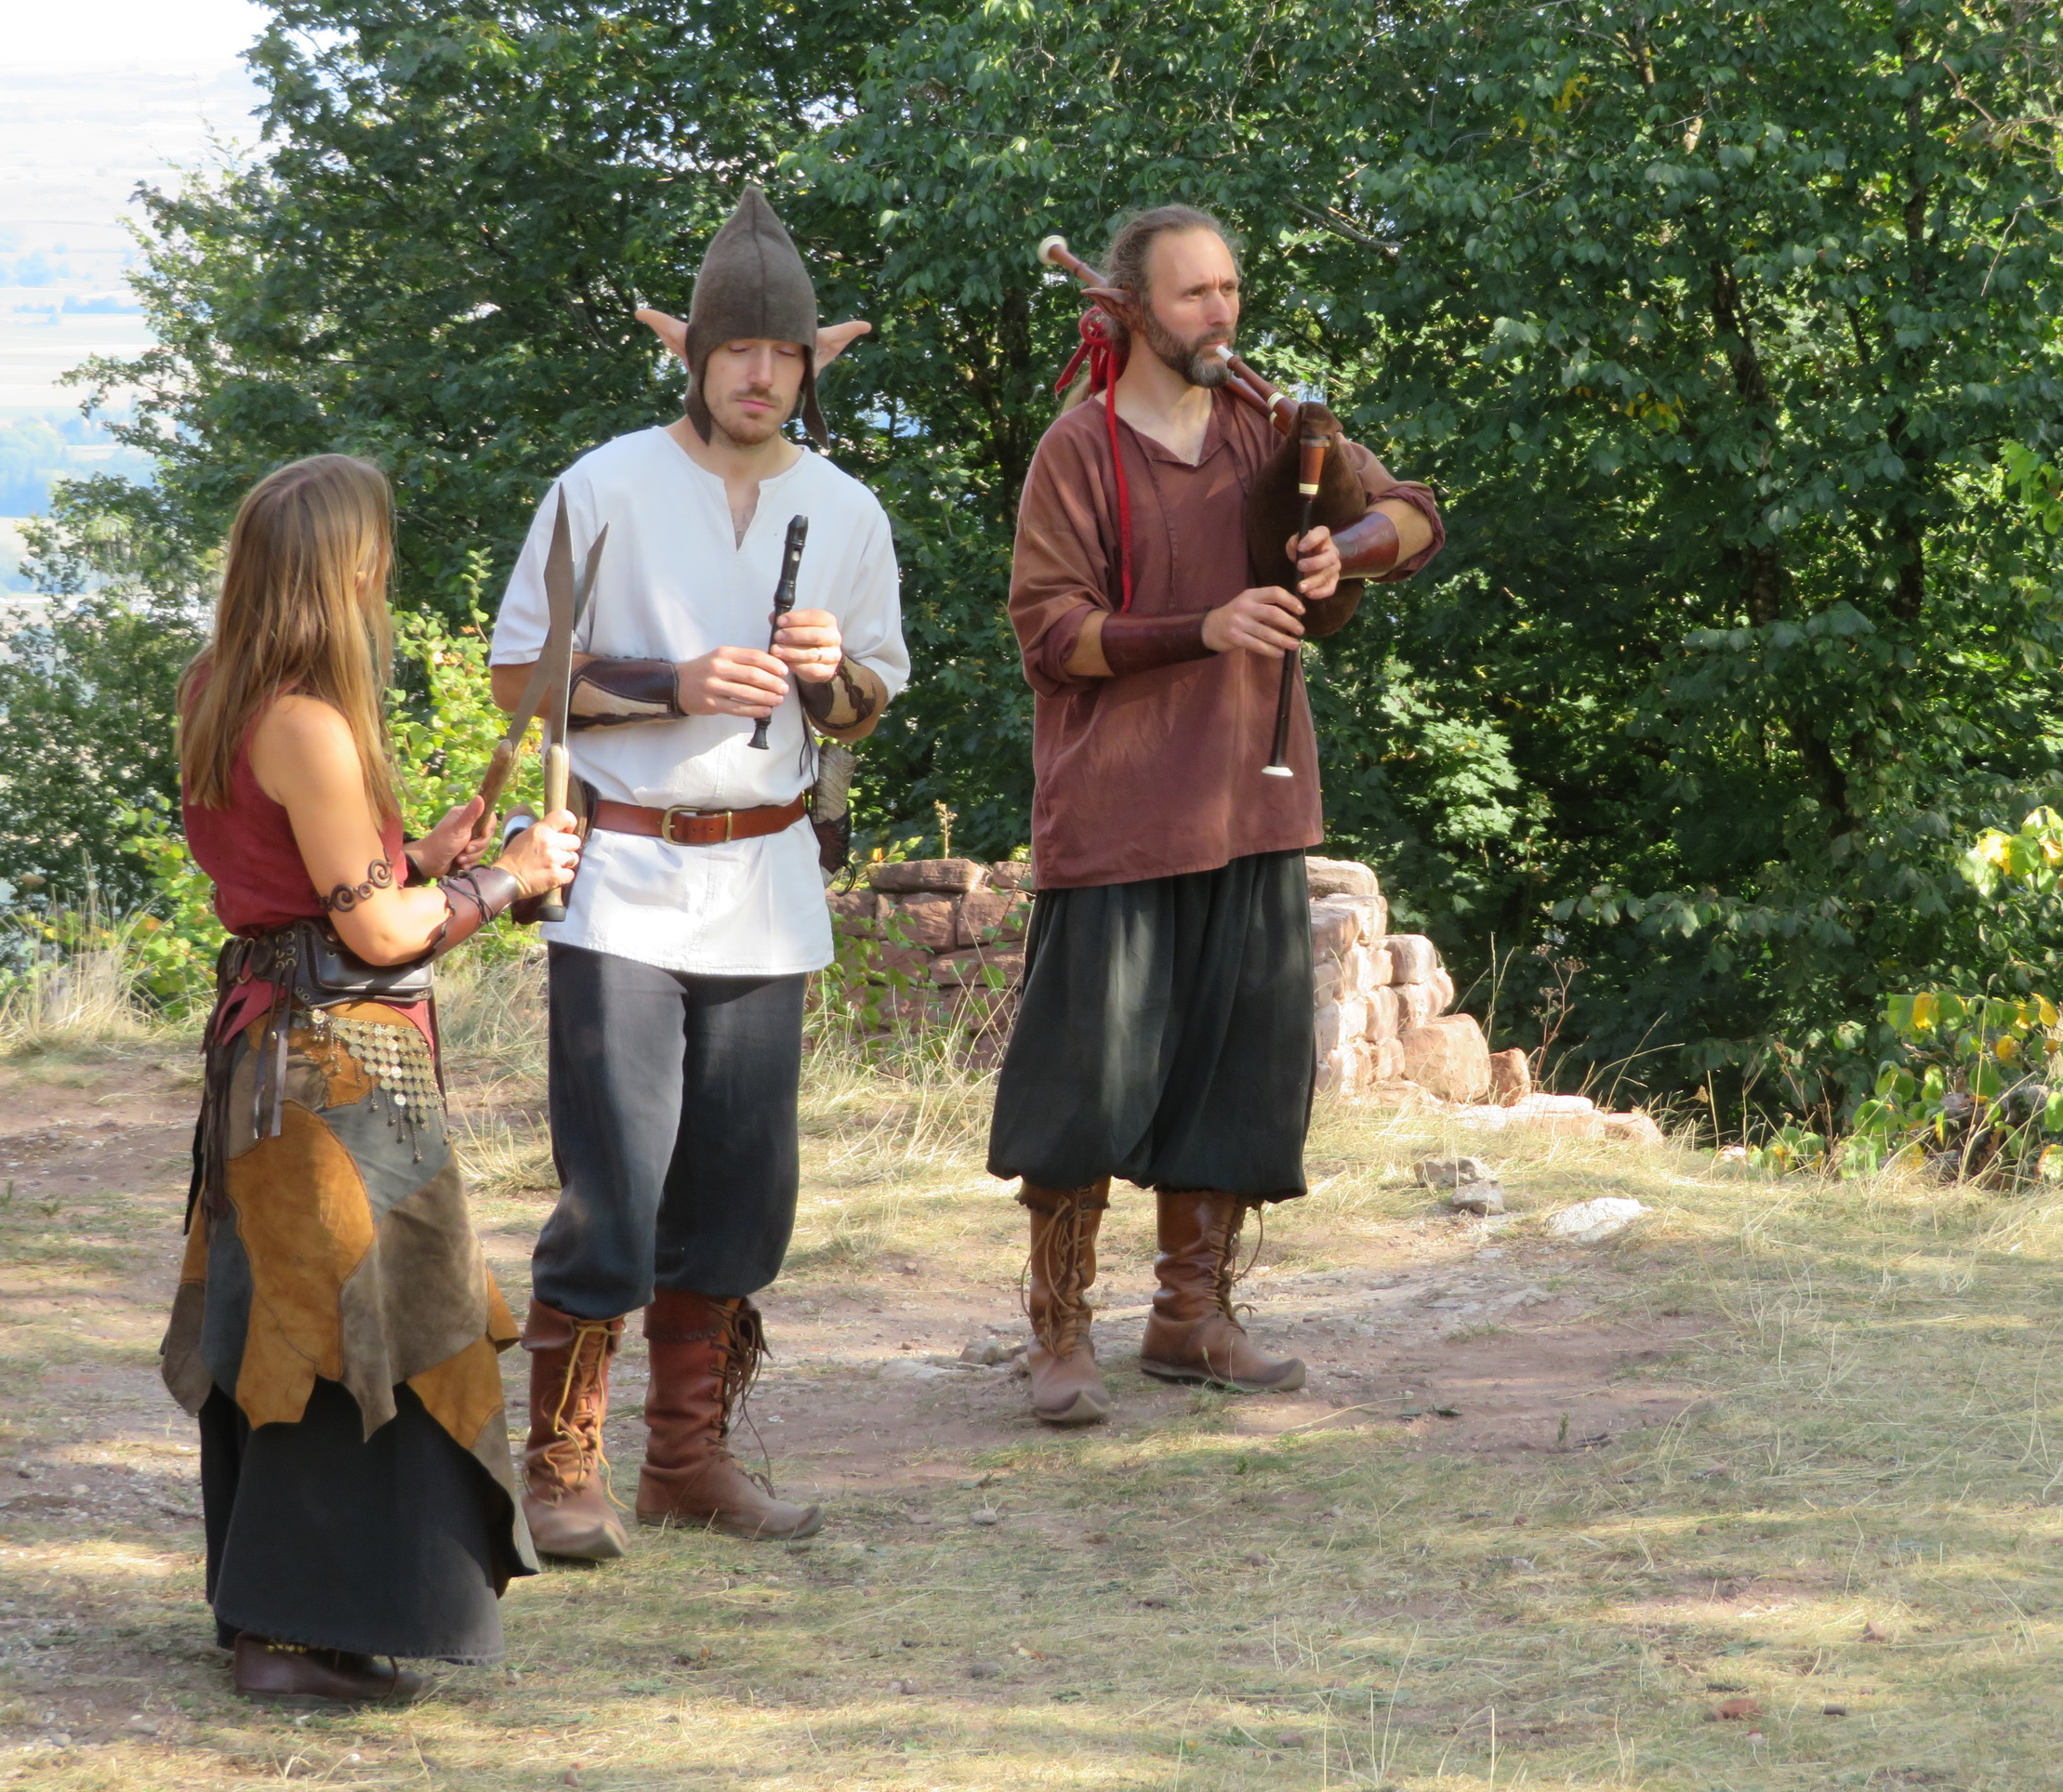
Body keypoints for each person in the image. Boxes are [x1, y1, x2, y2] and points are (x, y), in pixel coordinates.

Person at [488, 185, 906, 1561]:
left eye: (783, 354)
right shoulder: (602, 485)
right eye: (737, 350)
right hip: (622, 873)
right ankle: (562, 1469)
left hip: (767, 883)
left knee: (739, 1190)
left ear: (811, 365)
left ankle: (685, 1461)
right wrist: (672, 684)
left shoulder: (846, 509)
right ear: (694, 353)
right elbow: (516, 678)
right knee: (614, 1184)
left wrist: (827, 676)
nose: (759, 375)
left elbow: (867, 706)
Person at [992, 204, 1445, 1425]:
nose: (1220, 311)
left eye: (1230, 288)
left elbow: (1415, 515)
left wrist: (1346, 551)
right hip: (1118, 816)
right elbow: (1052, 636)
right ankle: (1060, 1335)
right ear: (1129, 307)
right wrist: (1204, 627)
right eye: (1193, 292)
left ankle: (1190, 1317)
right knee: (1083, 1090)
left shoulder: (1272, 426)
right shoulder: (1078, 451)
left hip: (1253, 803)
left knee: (1236, 1082)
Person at [162, 453, 581, 1705]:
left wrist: (423, 856)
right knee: (341, 1334)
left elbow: (312, 879)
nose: (381, 580)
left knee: (305, 1328)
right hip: (329, 1067)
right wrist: (506, 879)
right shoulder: (307, 721)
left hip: (274, 1053)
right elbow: (378, 934)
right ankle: (288, 1641)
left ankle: (288, 1620)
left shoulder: (218, 688)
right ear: (344, 570)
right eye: (374, 558)